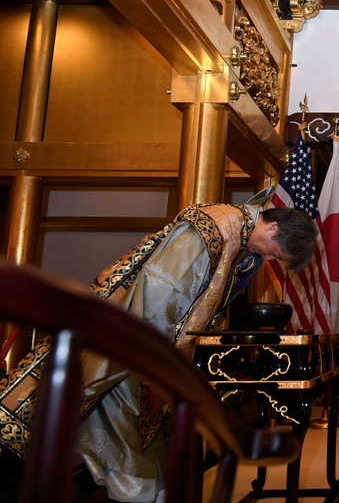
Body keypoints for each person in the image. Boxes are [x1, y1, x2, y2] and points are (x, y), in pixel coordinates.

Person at [0, 198, 318, 503]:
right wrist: (161, 360)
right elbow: (162, 289)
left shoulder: (238, 238)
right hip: (135, 339)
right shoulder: (215, 229)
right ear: (274, 229)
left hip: (149, 344)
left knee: (134, 431)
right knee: (120, 421)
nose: (271, 259)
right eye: (277, 253)